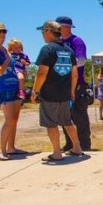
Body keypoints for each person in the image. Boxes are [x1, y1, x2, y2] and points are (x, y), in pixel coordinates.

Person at [30, 21, 83, 161]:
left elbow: (42, 73)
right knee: (67, 122)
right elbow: (74, 74)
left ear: (49, 31)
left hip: (49, 94)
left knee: (51, 124)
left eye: (43, 32)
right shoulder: (69, 50)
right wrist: (72, 91)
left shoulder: (47, 50)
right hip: (65, 94)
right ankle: (77, 148)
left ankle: (57, 153)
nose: (42, 35)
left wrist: (35, 91)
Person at [0, 22, 25, 161]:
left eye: (4, 31)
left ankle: (11, 147)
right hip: (4, 87)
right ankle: (2, 150)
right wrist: (7, 59)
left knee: (14, 119)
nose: (2, 34)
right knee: (9, 119)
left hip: (15, 86)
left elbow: (15, 67)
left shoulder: (5, 49)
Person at [56, 16, 92, 152]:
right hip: (62, 85)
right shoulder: (58, 43)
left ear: (66, 27)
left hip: (77, 84)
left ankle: (84, 144)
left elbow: (81, 60)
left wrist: (65, 65)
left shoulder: (77, 41)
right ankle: (70, 143)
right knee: (65, 116)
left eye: (58, 26)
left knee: (79, 115)